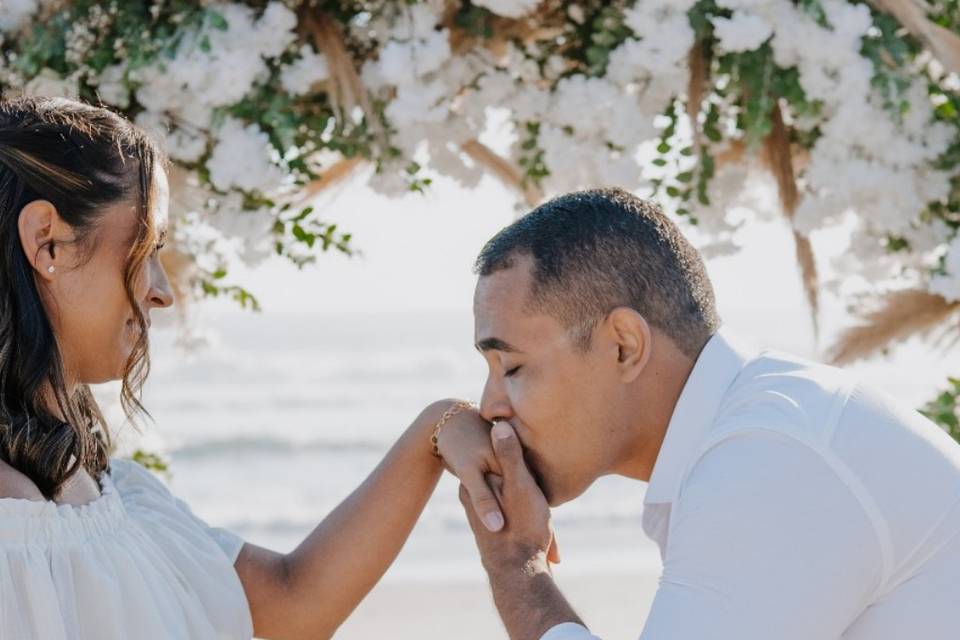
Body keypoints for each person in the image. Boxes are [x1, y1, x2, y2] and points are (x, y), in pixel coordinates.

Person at [0, 95, 497, 639]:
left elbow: (293, 602)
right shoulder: (13, 522)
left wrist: (439, 425)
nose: (163, 292)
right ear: (47, 241)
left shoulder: (112, 492)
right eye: (146, 249)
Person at [460, 187, 960, 640]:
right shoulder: (764, 427)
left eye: (513, 367)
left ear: (624, 346)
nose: (490, 407)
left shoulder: (769, 459)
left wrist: (515, 566)